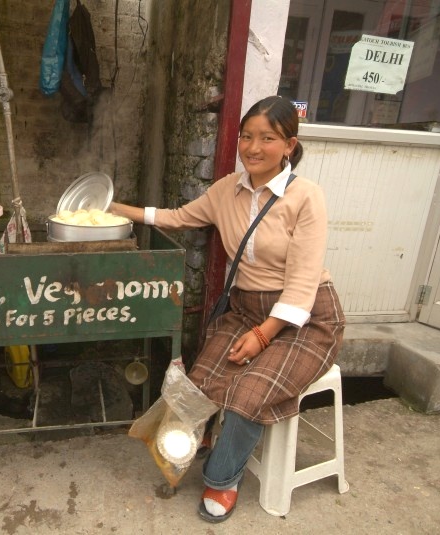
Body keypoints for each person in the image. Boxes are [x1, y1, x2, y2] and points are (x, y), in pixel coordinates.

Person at [110, 95, 345, 523]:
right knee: (200, 381)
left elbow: (302, 284)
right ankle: (195, 437)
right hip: (247, 309)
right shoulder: (226, 190)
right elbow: (175, 217)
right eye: (246, 136)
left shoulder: (306, 197)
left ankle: (222, 479)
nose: (253, 148)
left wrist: (262, 336)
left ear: (289, 145)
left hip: (307, 320)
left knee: (246, 394)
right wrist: (111, 209)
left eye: (267, 138)